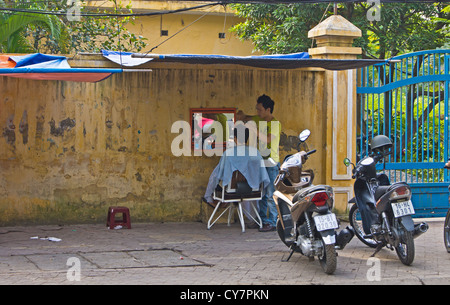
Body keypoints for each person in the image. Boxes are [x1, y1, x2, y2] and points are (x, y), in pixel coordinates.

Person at [236, 94, 281, 232]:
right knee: (261, 193)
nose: (258, 112)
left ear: (268, 109)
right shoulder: (258, 119)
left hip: (271, 163)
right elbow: (247, 118)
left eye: (260, 110)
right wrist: (241, 116)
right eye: (257, 109)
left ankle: (273, 222)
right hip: (260, 162)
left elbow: (268, 139)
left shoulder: (275, 124)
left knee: (270, 193)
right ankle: (261, 220)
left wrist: (254, 130)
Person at [202, 126, 270, 210]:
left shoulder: (228, 154)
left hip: (231, 191)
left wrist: (208, 194)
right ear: (247, 138)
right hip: (252, 189)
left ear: (235, 138)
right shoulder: (256, 152)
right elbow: (263, 176)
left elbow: (216, 175)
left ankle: (211, 200)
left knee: (216, 178)